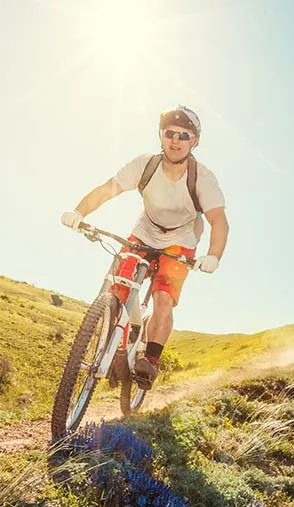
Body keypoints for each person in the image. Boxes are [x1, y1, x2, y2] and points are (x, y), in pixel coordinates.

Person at [61, 105, 228, 389]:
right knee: (118, 286)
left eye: (184, 135)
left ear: (195, 141)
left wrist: (213, 256)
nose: (176, 140)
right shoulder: (145, 165)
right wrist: (79, 213)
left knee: (163, 297)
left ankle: (149, 359)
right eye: (170, 133)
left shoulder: (203, 178)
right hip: (144, 231)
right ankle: (116, 347)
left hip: (180, 241)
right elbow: (106, 189)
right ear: (161, 136)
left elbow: (219, 221)